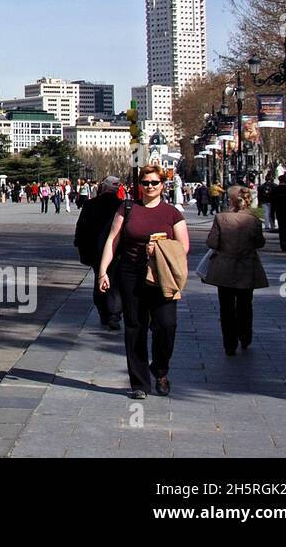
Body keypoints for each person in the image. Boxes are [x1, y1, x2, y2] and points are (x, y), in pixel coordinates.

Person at [99, 165, 190, 400]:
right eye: (146, 183)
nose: (150, 187)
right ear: (140, 185)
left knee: (166, 325)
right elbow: (113, 240)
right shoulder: (127, 208)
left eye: (154, 183)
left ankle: (160, 369)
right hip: (131, 274)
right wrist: (103, 272)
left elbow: (184, 246)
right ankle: (139, 383)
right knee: (135, 326)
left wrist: (161, 249)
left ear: (163, 185)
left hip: (162, 276)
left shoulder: (172, 213)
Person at [203, 185, 268, 356]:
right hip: (247, 266)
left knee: (226, 306)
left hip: (224, 267)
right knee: (245, 303)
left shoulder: (221, 218)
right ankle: (245, 336)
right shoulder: (253, 220)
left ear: (230, 200)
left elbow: (212, 243)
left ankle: (229, 343)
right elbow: (259, 243)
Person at [74, 175, 123, 330]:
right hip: (117, 250)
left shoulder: (90, 205)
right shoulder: (122, 206)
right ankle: (114, 314)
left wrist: (79, 244)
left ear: (104, 187)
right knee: (115, 282)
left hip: (95, 250)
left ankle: (103, 312)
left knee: (99, 278)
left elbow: (81, 226)